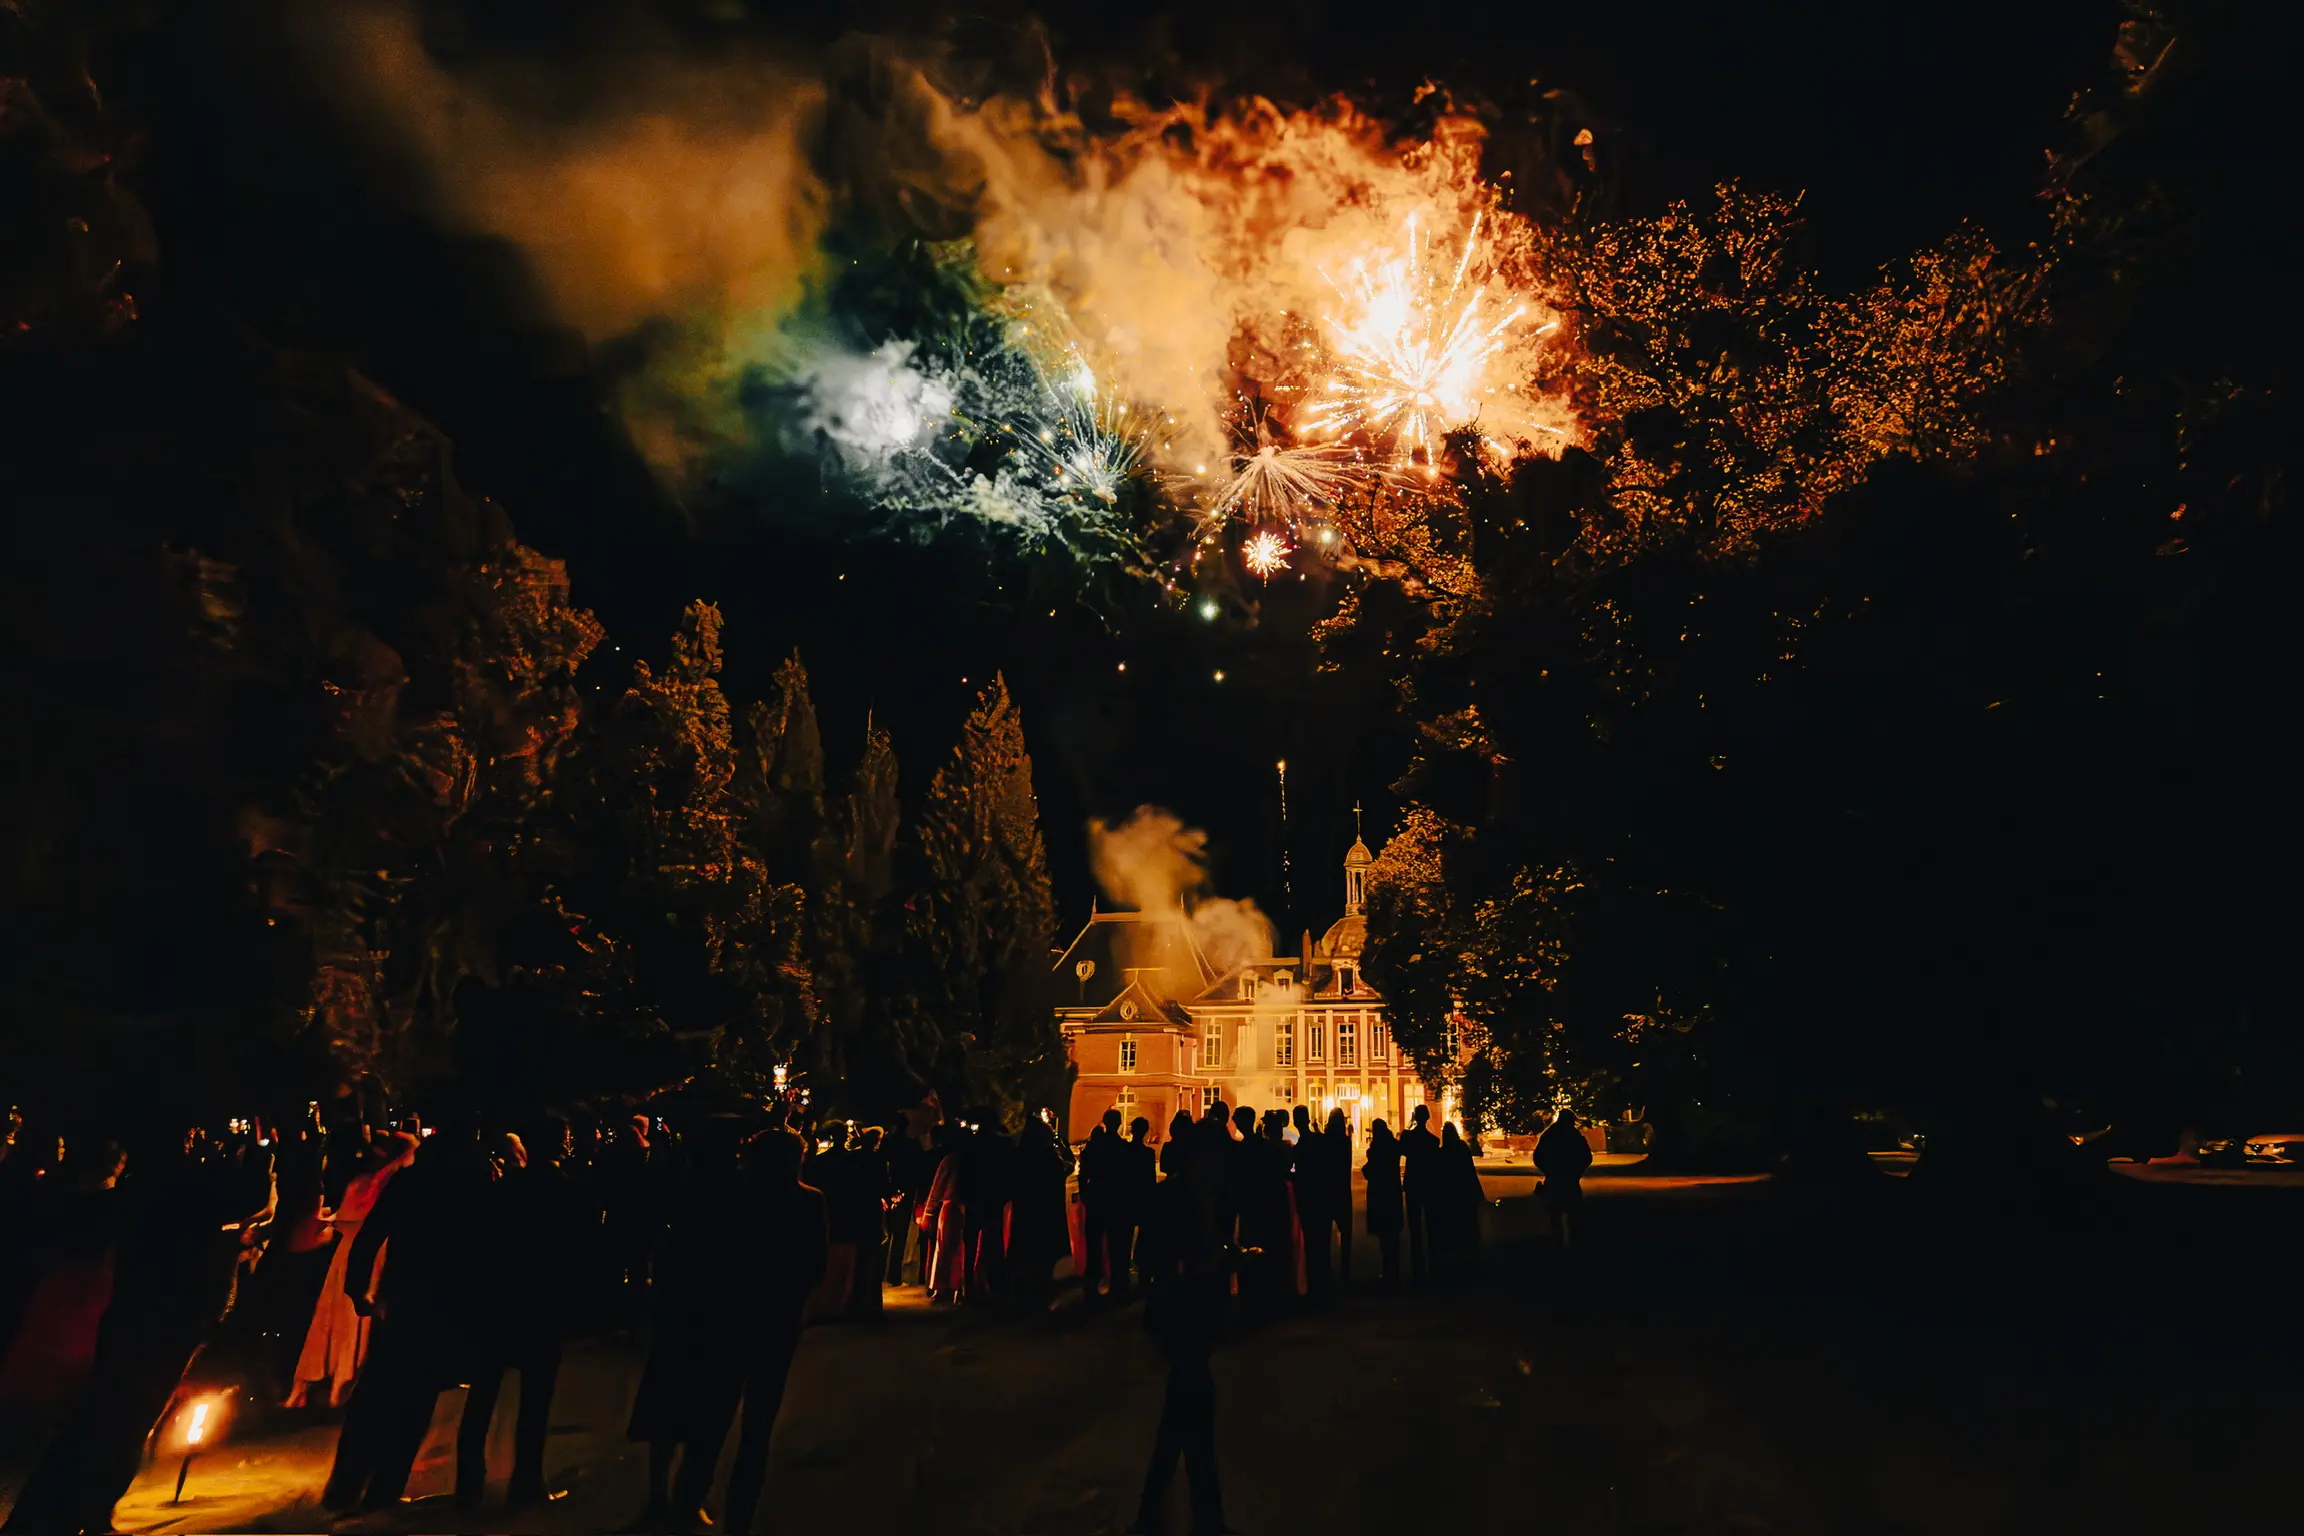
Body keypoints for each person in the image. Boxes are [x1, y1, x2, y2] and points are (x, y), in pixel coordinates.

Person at [3, 1128, 271, 1536]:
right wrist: (263, 1143)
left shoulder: (141, 1192)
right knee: (114, 1427)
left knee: (106, 1425)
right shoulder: (175, 1189)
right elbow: (249, 1194)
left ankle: (72, 1517)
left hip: (144, 1322)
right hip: (157, 1325)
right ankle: (52, 1520)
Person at [628, 1126, 827, 1536]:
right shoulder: (807, 1201)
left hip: (728, 1321)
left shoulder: (732, 1196)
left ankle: (688, 1497)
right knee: (758, 1427)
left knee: (713, 1415)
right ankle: (739, 1515)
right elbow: (813, 1265)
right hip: (776, 1326)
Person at [321, 1119, 497, 1514]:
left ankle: (344, 1485)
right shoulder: (475, 1185)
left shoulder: (410, 1183)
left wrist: (357, 1287)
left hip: (403, 1297)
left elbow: (370, 1235)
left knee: (375, 1392)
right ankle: (383, 1490)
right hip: (447, 1302)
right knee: (415, 1398)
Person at [454, 1113, 595, 1509]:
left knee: (483, 1394)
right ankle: (527, 1481)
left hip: (499, 1302)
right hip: (543, 1305)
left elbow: (479, 1248)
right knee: (535, 1401)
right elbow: (582, 1257)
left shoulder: (499, 1191)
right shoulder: (572, 1192)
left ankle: (469, 1482)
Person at [1128, 1118, 1235, 1536]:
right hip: (1182, 1318)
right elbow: (1152, 1256)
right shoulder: (1174, 1197)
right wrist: (1202, 1266)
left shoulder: (1203, 1195)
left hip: (1195, 1320)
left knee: (1183, 1430)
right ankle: (1200, 1521)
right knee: (1192, 1426)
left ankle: (1157, 1517)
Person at [285, 1131, 418, 1409]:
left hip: (346, 1252)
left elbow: (345, 1218)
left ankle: (307, 1387)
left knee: (332, 1318)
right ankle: (343, 1386)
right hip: (374, 1254)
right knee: (357, 1323)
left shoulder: (361, 1182)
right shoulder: (392, 1181)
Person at [1008, 1116, 1073, 1313]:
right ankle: (1039, 1297)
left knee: (1027, 1257)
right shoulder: (1048, 1158)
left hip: (1026, 1215)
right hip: (1045, 1217)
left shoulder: (1019, 1156)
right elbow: (1067, 1166)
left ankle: (1024, 1297)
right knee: (1042, 1260)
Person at [1077, 1109, 1123, 1307]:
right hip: (1114, 1199)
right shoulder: (1122, 1147)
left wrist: (1085, 1193)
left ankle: (1091, 1288)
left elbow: (1082, 1173)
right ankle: (1116, 1288)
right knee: (1115, 1246)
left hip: (1096, 1196)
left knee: (1093, 1245)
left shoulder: (1094, 1147)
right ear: (1119, 1123)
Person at [1534, 1107, 1595, 1250]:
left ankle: (1558, 1246)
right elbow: (1587, 1157)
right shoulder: (1574, 1135)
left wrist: (1548, 1170)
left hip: (1553, 1180)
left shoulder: (1548, 1135)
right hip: (1570, 1181)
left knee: (1555, 1217)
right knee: (1574, 1217)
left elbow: (1538, 1157)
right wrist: (1576, 1172)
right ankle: (1574, 1247)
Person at [1289, 1106, 1331, 1306]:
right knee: (1322, 1245)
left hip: (1307, 1200)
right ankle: (1324, 1288)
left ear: (1296, 1122)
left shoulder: (1298, 1148)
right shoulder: (1320, 1141)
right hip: (1321, 1199)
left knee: (1311, 1247)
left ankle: (1315, 1290)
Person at [1112, 1116, 1157, 1301]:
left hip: (1126, 1200)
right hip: (1143, 1201)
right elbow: (1150, 1181)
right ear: (1145, 1131)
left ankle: (1121, 1280)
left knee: (1122, 1241)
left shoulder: (1124, 1151)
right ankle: (1144, 1279)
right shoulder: (1147, 1154)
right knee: (1144, 1241)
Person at [1400, 1103, 1440, 1285]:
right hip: (1429, 1185)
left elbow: (1401, 1150)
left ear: (1415, 1117)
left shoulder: (1409, 1138)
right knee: (1431, 1226)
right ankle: (1434, 1266)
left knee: (1415, 1228)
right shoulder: (1433, 1141)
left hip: (1413, 1185)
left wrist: (1409, 1127)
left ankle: (1417, 1268)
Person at [1362, 1119, 1404, 1293]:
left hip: (1380, 1193)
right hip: (1392, 1193)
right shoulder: (1393, 1146)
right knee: (1392, 1235)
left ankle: (1388, 1272)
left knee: (1384, 1236)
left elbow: (1370, 1170)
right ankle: (1394, 1270)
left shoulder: (1377, 1149)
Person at [1321, 1107, 1354, 1287]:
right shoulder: (1346, 1141)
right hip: (1343, 1191)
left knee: (1324, 1236)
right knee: (1346, 1235)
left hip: (1327, 1192)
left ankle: (1325, 1273)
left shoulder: (1325, 1141)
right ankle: (1345, 1273)